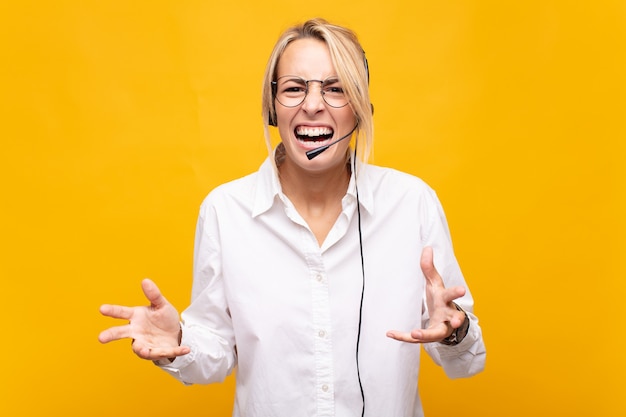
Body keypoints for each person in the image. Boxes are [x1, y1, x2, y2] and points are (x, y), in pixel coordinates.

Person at [99, 17, 486, 417]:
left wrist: (456, 332)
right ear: (273, 108)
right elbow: (213, 354)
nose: (313, 104)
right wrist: (178, 340)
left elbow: (468, 362)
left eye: (336, 89)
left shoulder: (412, 203)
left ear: (361, 109)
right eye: (294, 88)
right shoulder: (225, 210)